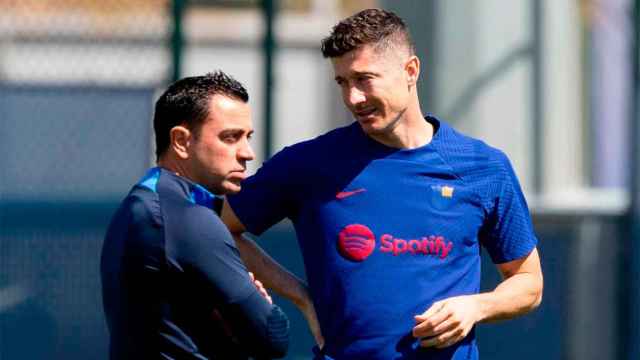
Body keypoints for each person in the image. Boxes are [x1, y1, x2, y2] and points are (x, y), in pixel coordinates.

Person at [222, 8, 543, 360]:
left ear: (410, 71)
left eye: (364, 79)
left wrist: (476, 307)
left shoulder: (483, 167)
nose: (353, 98)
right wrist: (301, 296)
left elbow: (528, 282)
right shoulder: (307, 164)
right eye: (342, 82)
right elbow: (216, 229)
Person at [101, 71, 289, 360]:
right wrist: (263, 307)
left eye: (247, 137)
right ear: (180, 141)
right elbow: (273, 336)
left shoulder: (139, 205)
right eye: (230, 137)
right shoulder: (187, 219)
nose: (247, 153)